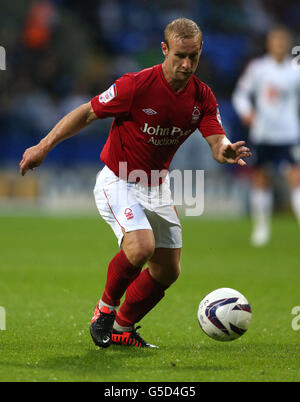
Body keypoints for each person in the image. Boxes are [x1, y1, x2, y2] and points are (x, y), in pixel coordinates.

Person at [19, 18, 251, 348]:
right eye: (180, 56)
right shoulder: (136, 85)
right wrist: (43, 146)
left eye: (194, 57)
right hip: (119, 181)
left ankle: (123, 328)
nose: (186, 65)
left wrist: (224, 149)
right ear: (164, 49)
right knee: (141, 247)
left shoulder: (202, 96)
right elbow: (86, 113)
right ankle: (104, 312)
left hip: (157, 187)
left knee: (168, 272)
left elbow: (216, 141)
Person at [232, 26, 300, 247]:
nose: (279, 45)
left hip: (289, 133)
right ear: (269, 44)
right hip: (263, 133)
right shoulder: (258, 68)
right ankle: (261, 229)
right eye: (275, 40)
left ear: (288, 44)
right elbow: (240, 94)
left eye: (283, 41)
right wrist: (247, 113)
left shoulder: (295, 70)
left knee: (296, 179)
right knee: (261, 179)